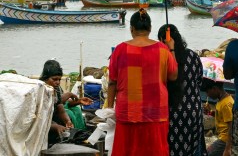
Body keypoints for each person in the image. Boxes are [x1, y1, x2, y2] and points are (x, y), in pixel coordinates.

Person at [108, 8, 178, 156]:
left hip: (128, 112)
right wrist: (171, 49)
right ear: (150, 28)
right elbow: (173, 76)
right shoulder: (163, 49)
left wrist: (108, 108)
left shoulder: (119, 50)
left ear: (131, 28)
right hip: (156, 112)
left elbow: (112, 82)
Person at [157, 24, 208, 156]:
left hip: (173, 112)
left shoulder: (163, 59)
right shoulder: (193, 56)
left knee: (174, 149)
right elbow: (199, 81)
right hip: (194, 111)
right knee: (193, 148)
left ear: (163, 41)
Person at [39, 59, 92, 145]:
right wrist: (55, 126)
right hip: (43, 127)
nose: (57, 82)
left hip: (53, 122)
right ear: (45, 78)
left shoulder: (57, 89)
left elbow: (60, 108)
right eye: (54, 79)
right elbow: (41, 118)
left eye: (59, 80)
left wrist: (67, 121)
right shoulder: (40, 90)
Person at [201, 79, 234, 156]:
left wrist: (228, 148)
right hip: (222, 138)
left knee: (207, 153)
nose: (207, 95)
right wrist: (210, 112)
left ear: (215, 89)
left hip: (225, 140)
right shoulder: (221, 100)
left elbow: (232, 125)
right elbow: (222, 117)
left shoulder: (226, 104)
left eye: (207, 91)